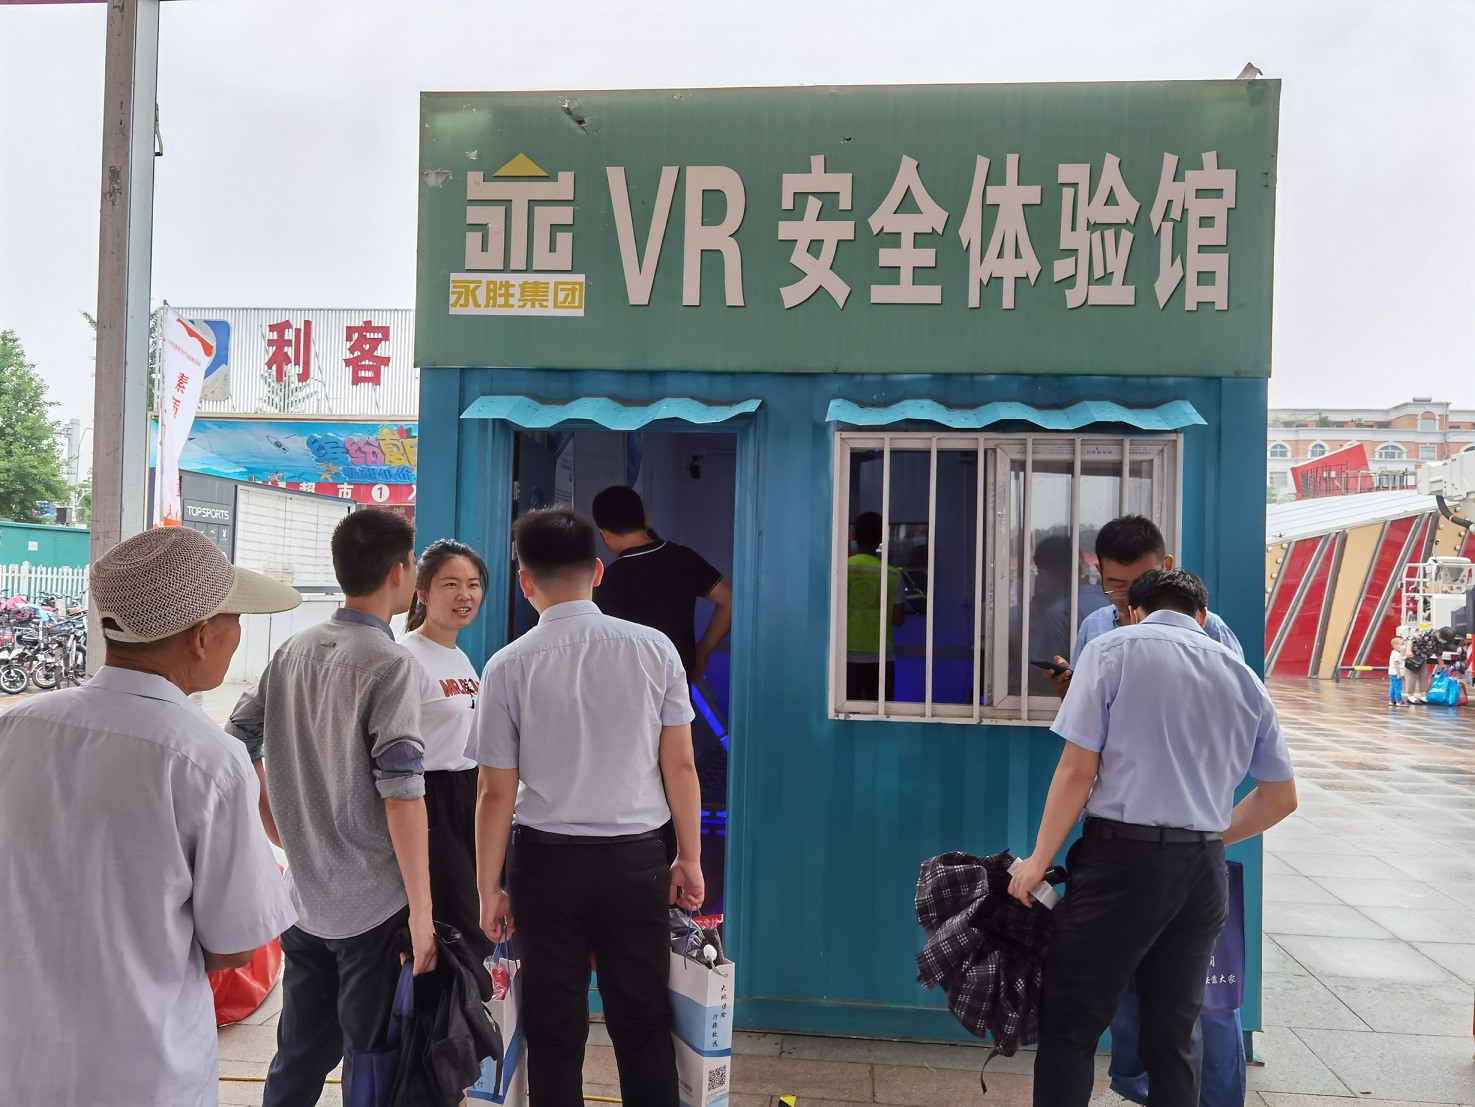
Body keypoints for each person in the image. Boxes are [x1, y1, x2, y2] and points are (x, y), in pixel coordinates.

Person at [0, 527, 300, 1106]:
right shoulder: (208, 759)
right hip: (141, 1068)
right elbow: (235, 946)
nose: (238, 635)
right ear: (202, 634)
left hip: (19, 1058)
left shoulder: (16, 727)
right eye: (235, 618)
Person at [1009, 569, 1298, 1107]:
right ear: (1201, 615)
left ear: (1135, 611)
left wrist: (1037, 860)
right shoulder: (1243, 677)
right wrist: (1206, 838)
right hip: (1202, 874)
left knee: (1072, 1023)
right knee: (1174, 1034)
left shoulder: (1111, 651)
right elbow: (1281, 798)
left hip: (1120, 864)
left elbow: (1077, 770)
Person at [470, 506, 704, 1107]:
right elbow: (681, 766)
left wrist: (489, 888)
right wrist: (689, 858)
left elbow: (495, 792)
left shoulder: (506, 665)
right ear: (597, 571)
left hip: (545, 869)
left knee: (553, 1029)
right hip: (636, 865)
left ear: (524, 581)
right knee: (642, 1020)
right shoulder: (655, 650)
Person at [228, 508, 438, 1106]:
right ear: (399, 573)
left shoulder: (294, 648)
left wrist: (274, 818)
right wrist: (423, 915)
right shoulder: (391, 663)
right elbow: (402, 795)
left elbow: (239, 737)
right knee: (371, 1063)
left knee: (298, 1056)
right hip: (372, 905)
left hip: (304, 897)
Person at [401, 537, 495, 964]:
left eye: (473, 584)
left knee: (475, 917)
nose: (465, 595)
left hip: (468, 795)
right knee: (456, 923)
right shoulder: (407, 657)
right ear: (422, 593)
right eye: (450, 584)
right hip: (431, 802)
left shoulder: (459, 656)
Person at [1045, 515, 1241, 693]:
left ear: (1167, 567)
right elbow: (1084, 711)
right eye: (1117, 585)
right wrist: (1068, 690)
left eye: (1144, 582)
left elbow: (1239, 702)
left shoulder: (1209, 629)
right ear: (1100, 572)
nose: (1132, 597)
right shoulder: (1093, 625)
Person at [591, 484, 733, 683]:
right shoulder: (684, 558)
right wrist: (702, 652)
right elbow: (729, 599)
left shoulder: (610, 579)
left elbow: (605, 649)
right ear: (645, 520)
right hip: (679, 684)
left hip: (635, 691)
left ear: (604, 533)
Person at [845, 510, 905, 700]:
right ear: (881, 538)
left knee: (844, 711)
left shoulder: (840, 569)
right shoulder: (893, 574)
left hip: (844, 655)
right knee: (880, 712)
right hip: (880, 657)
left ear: (854, 535)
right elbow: (897, 619)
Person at [1389, 635, 1408, 706]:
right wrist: (1398, 673)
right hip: (1396, 673)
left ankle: (1392, 700)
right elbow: (1396, 664)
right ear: (1395, 646)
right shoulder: (1397, 654)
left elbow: (1399, 659)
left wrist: (1405, 657)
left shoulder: (1394, 652)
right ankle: (1399, 701)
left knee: (1392, 687)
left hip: (1391, 673)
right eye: (1402, 644)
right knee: (1398, 688)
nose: (1403, 646)